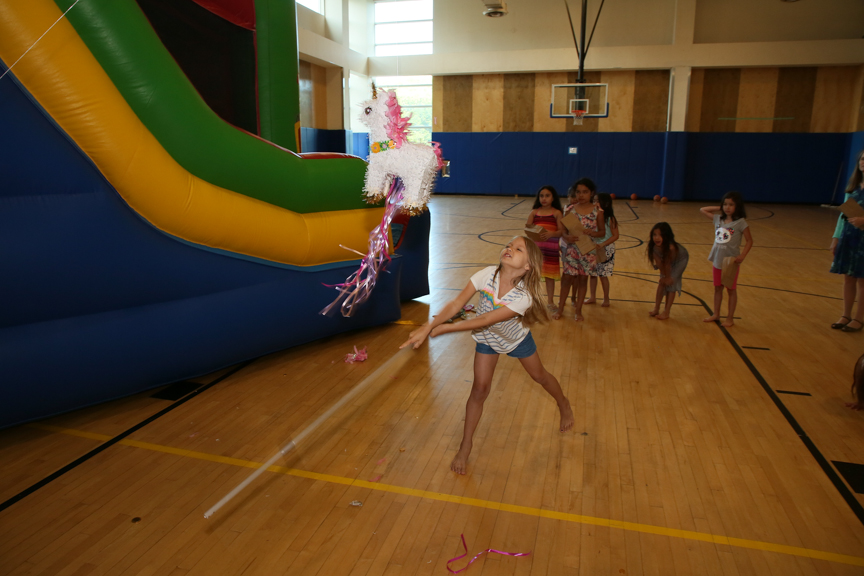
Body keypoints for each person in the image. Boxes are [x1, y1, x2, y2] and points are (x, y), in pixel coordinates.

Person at [400, 236, 574, 475]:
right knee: (479, 389)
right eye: (509, 245)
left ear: (528, 266)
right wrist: (429, 325)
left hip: (515, 339)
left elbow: (486, 318)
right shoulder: (487, 275)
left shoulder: (524, 296)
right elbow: (456, 304)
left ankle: (563, 403)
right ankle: (466, 445)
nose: (509, 248)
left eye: (518, 249)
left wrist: (447, 328)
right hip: (487, 339)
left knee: (540, 376)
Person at [700, 191, 753, 327]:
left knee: (731, 290)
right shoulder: (718, 219)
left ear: (738, 206)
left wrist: (742, 255)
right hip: (718, 260)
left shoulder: (741, 223)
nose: (727, 207)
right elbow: (702, 210)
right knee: (718, 288)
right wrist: (720, 208)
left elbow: (749, 241)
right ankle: (716, 314)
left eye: (731, 204)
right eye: (725, 204)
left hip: (730, 262)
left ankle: (730, 318)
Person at [555, 178, 605, 321]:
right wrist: (566, 237)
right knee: (566, 279)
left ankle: (578, 310)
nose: (581, 195)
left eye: (585, 192)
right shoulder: (569, 210)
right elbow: (563, 231)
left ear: (592, 193)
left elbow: (602, 232)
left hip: (588, 251)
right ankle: (560, 309)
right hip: (572, 250)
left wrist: (593, 233)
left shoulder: (598, 211)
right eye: (578, 192)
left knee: (583, 280)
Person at [830, 149, 864, 332]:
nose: (863, 162)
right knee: (848, 278)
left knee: (862, 281)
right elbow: (843, 216)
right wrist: (836, 237)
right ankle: (846, 314)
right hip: (849, 238)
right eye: (862, 159)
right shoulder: (852, 188)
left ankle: (859, 318)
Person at [525, 185, 563, 311]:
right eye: (541, 196)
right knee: (533, 276)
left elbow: (561, 231)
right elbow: (528, 229)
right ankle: (532, 301)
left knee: (549, 277)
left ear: (553, 198)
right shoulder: (534, 212)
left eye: (547, 196)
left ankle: (550, 302)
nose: (544, 198)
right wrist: (535, 232)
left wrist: (552, 234)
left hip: (550, 250)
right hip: (536, 251)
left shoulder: (557, 213)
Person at [647, 222, 689, 320]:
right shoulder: (654, 248)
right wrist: (664, 276)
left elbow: (668, 264)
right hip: (667, 262)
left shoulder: (671, 248)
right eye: (654, 235)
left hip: (680, 260)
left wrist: (668, 277)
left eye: (660, 235)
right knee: (662, 283)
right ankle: (656, 308)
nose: (657, 238)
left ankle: (666, 312)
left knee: (671, 285)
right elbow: (660, 264)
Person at [585, 192, 619, 307]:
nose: (595, 203)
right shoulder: (593, 217)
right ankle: (592, 296)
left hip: (606, 248)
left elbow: (615, 235)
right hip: (594, 246)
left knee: (603, 275)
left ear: (606, 203)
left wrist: (603, 243)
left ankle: (606, 298)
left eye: (597, 201)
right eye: (594, 201)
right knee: (592, 274)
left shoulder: (610, 219)